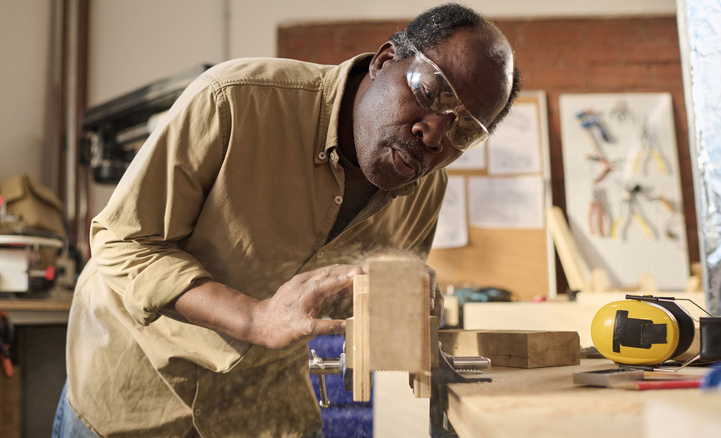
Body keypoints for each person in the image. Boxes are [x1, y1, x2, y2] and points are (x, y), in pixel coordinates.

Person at [52, 2, 520, 437]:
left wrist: (404, 311)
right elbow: (122, 241)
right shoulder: (234, 100)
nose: (434, 132)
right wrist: (254, 317)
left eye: (463, 129)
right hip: (137, 401)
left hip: (265, 418)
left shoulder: (425, 188)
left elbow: (366, 306)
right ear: (384, 61)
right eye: (430, 91)